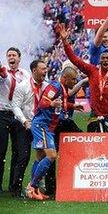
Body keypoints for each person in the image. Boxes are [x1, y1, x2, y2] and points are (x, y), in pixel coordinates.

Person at [26, 66, 79, 200]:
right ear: (65, 78)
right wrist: (52, 104)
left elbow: (62, 104)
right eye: (73, 79)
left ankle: (34, 190)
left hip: (46, 126)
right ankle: (32, 186)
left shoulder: (63, 89)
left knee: (39, 157)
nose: (75, 81)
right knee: (52, 155)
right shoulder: (55, 86)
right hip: (42, 126)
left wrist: (74, 106)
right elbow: (43, 102)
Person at [9, 60, 48, 197]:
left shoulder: (47, 87)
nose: (45, 71)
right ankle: (15, 189)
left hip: (40, 125)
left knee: (45, 155)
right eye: (43, 69)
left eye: (46, 68)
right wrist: (24, 121)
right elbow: (15, 106)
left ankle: (41, 188)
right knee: (23, 156)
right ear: (34, 70)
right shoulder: (23, 86)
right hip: (25, 124)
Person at [0, 47, 30, 195]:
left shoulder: (25, 75)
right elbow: (4, 76)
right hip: (2, 113)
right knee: (1, 150)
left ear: (19, 58)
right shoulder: (2, 71)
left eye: (14, 55)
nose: (11, 57)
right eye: (9, 55)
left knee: (19, 152)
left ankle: (15, 187)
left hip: (18, 116)